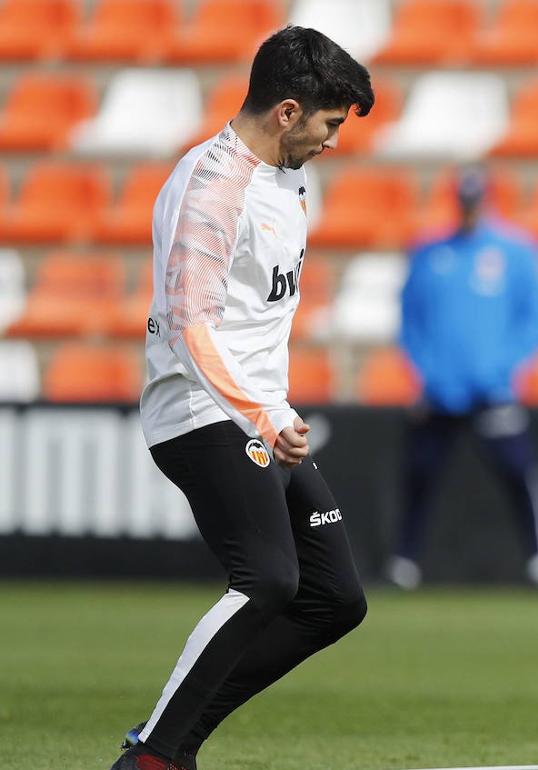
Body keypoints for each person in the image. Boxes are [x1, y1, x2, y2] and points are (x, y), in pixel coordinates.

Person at [112, 26, 374, 770]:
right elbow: (194, 327)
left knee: (334, 599)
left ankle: (175, 738)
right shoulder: (210, 188)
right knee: (267, 579)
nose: (331, 140)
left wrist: (273, 410)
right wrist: (262, 416)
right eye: (327, 123)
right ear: (287, 112)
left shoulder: (288, 174)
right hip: (200, 412)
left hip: (263, 412)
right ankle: (153, 756)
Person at [386, 167, 538, 590]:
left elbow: (533, 324)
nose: (470, 209)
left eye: (476, 200)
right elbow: (410, 321)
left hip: (493, 390)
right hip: (439, 391)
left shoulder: (517, 252)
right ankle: (404, 561)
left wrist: (499, 370)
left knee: (520, 473)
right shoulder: (429, 253)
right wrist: (428, 372)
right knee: (419, 474)